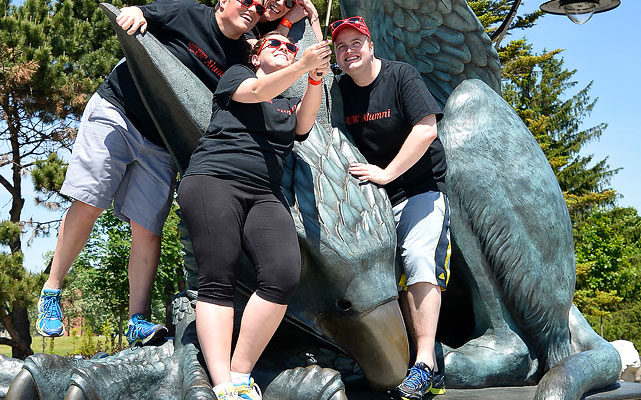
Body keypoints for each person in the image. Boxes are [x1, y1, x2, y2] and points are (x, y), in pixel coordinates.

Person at [36, 0, 264, 347]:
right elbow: (143, 13)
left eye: (260, 7)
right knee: (90, 200)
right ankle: (52, 291)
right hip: (118, 111)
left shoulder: (242, 58)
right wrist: (136, 13)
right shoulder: (189, 13)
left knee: (148, 228)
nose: (253, 8)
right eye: (246, 0)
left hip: (160, 142)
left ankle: (137, 320)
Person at [177, 33, 331, 400]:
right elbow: (258, 92)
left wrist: (314, 77)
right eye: (274, 45)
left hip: (265, 192)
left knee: (282, 276)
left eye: (291, 47)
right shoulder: (236, 75)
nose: (285, 49)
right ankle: (222, 384)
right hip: (214, 179)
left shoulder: (288, 102)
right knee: (217, 277)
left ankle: (241, 373)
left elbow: (305, 125)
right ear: (256, 55)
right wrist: (302, 64)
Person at [331, 17, 450, 400]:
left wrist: (386, 173)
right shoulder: (339, 90)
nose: (349, 51)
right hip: (374, 199)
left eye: (355, 43)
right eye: (341, 47)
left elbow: (426, 128)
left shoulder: (402, 76)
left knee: (418, 257)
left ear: (370, 44)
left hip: (419, 188)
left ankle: (426, 364)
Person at [252, 0, 323, 41]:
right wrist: (287, 22)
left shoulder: (293, 18)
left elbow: (318, 54)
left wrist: (313, 14)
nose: (280, 3)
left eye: (289, 2)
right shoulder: (246, 11)